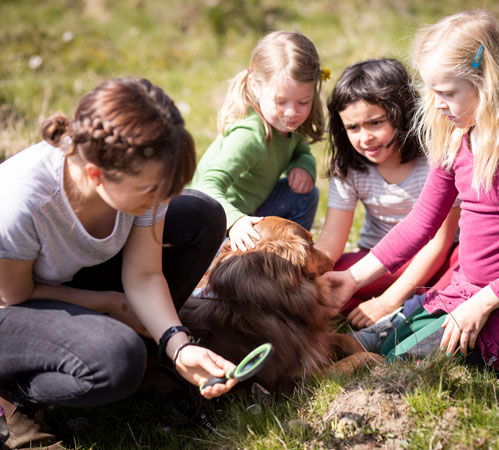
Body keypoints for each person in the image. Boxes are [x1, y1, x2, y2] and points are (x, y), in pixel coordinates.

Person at [324, 10, 499, 398]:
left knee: (398, 362)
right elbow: (421, 222)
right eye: (432, 93)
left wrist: (483, 303)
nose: (437, 104)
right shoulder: (457, 141)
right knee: (375, 339)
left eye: (447, 93)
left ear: (487, 82)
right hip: (464, 291)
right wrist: (355, 278)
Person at [0, 78, 237, 449]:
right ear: (96, 174)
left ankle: (146, 356)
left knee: (200, 215)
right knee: (118, 357)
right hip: (10, 305)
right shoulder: (22, 202)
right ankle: (16, 401)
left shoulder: (140, 181)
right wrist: (109, 303)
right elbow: (15, 296)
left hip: (57, 281)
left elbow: (144, 273)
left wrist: (178, 345)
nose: (163, 199)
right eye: (151, 191)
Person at [314, 58, 460, 328]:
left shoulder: (436, 158)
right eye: (353, 128)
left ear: (401, 113)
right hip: (377, 263)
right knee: (334, 274)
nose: (365, 137)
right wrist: (306, 274)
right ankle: (407, 311)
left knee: (465, 265)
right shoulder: (350, 169)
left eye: (375, 123)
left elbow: (439, 243)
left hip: (438, 260)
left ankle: (409, 309)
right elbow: (332, 240)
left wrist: (388, 300)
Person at [187, 30, 325, 252]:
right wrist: (235, 221)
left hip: (252, 212)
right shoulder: (250, 136)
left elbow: (300, 149)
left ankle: (290, 256)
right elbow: (204, 186)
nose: (292, 112)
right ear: (256, 86)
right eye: (281, 101)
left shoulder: (287, 127)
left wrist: (303, 164)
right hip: (211, 224)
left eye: (303, 101)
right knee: (222, 280)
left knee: (305, 194)